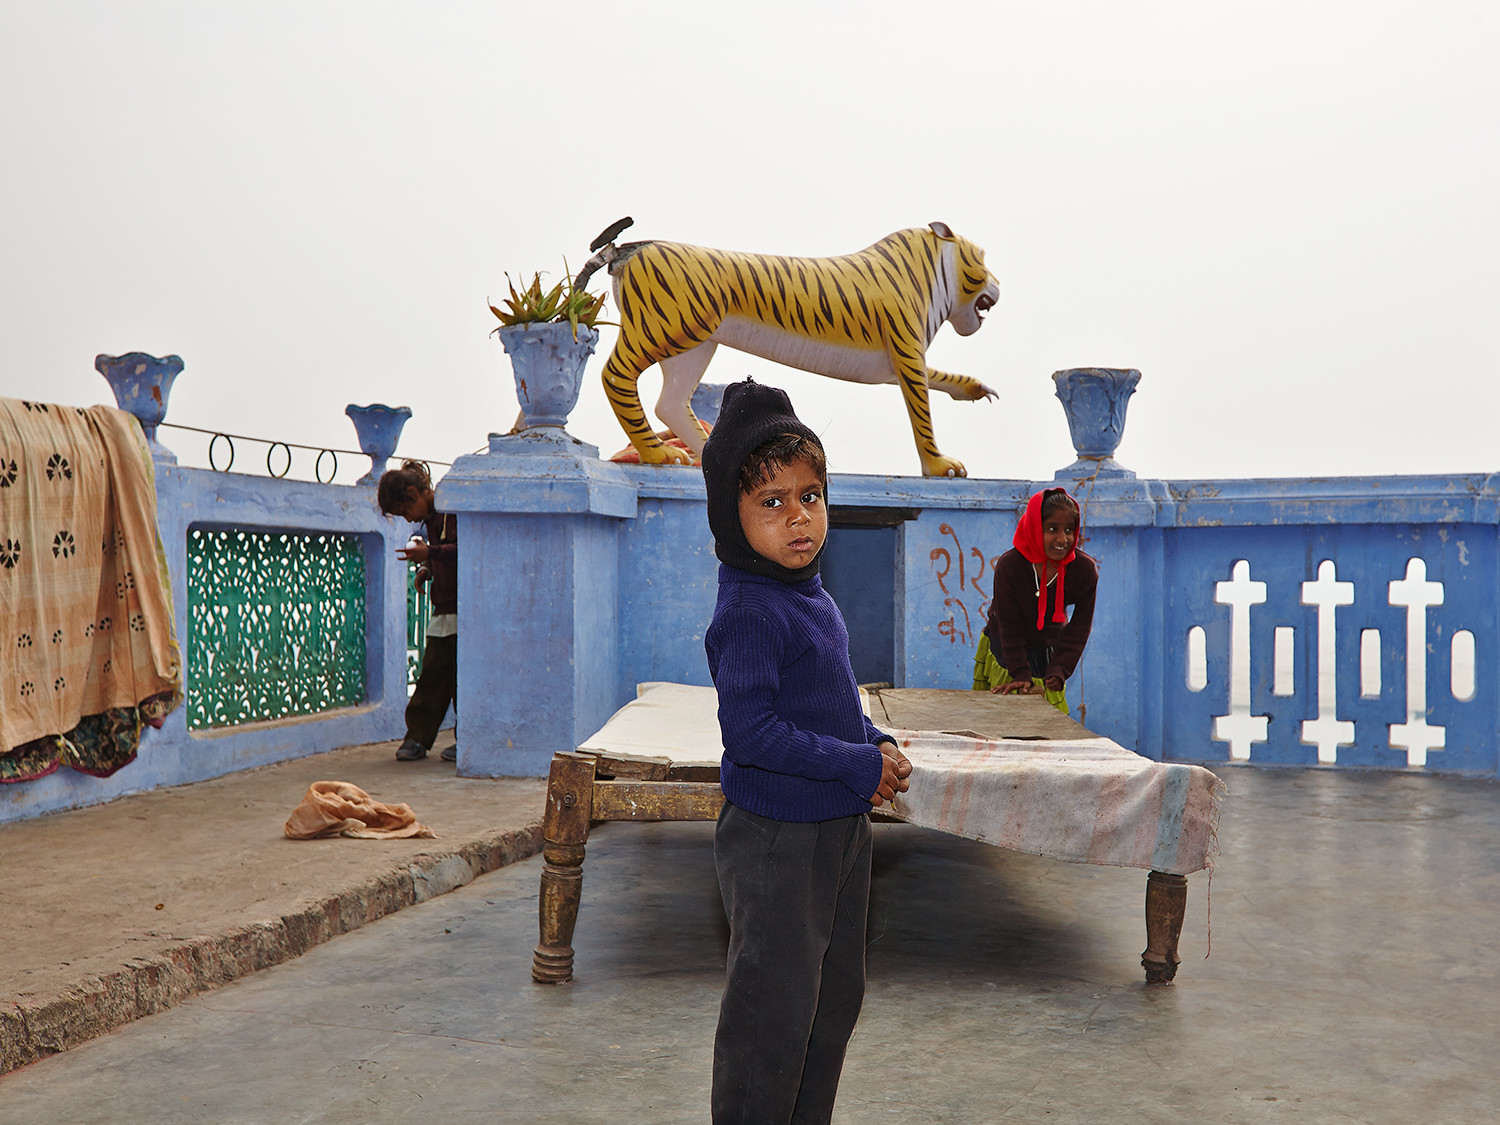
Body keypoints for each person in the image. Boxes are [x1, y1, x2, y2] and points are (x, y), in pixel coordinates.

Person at [701, 379, 910, 1125]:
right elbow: (752, 737)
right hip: (776, 841)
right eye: (773, 501)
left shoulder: (809, 593)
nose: (800, 517)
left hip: (839, 831)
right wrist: (857, 766)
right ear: (733, 513)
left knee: (831, 1002)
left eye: (811, 496)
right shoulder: (750, 611)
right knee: (772, 1017)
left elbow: (829, 698)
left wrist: (871, 740)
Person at [973, 487, 1097, 715]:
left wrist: (1060, 668)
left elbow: (1080, 627)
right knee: (1002, 718)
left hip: (1048, 648)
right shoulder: (1010, 566)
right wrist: (1020, 675)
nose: (1063, 539)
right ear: (1033, 528)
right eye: (1052, 529)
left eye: (1069, 530)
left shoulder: (1083, 570)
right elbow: (1007, 624)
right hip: (1006, 649)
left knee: (1048, 724)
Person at [377, 460, 459, 763]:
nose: (409, 518)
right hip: (444, 611)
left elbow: (464, 549)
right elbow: (443, 552)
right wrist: (427, 566)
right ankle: (417, 738)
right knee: (433, 676)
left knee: (465, 681)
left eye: (405, 511)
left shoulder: (452, 511)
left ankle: (467, 740)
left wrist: (431, 554)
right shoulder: (433, 520)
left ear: (414, 493)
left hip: (465, 611)